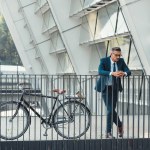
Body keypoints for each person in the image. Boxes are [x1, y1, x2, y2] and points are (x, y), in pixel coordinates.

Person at [96, 47, 131, 138]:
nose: (118, 57)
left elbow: (128, 71)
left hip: (114, 89)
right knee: (110, 110)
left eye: (119, 55)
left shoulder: (121, 61)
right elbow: (100, 71)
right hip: (105, 88)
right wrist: (112, 73)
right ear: (111, 54)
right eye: (116, 55)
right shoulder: (104, 60)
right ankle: (110, 131)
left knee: (110, 110)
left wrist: (124, 73)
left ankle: (117, 126)